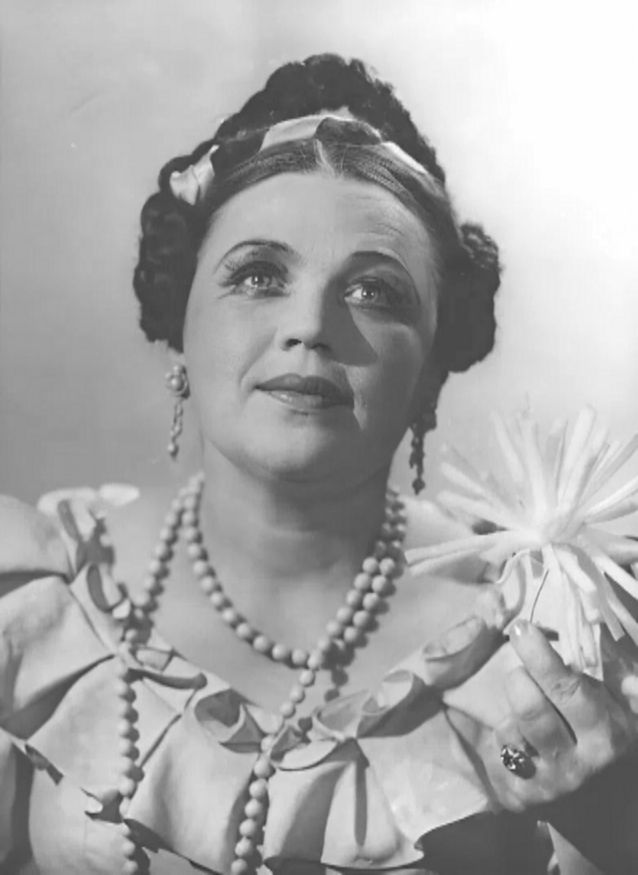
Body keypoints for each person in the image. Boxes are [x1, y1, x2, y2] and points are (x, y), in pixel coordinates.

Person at [1, 53, 636, 875]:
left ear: (430, 372)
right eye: (258, 274)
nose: (311, 324)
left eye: (375, 292)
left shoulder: (554, 639)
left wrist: (614, 832)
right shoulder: (36, 600)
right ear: (180, 326)